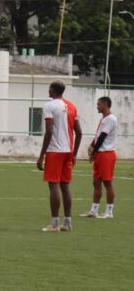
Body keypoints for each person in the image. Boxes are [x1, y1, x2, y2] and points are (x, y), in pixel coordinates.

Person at [37, 80, 82, 232]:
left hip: (55, 150)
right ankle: (68, 223)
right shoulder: (72, 106)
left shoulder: (49, 105)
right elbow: (79, 132)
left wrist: (41, 155)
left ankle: (55, 224)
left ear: (53, 90)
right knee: (65, 186)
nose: (48, 91)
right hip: (68, 151)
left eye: (49, 88)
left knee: (53, 185)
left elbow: (49, 131)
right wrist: (74, 153)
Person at [80, 96, 116, 219]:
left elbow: (102, 138)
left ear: (105, 104)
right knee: (96, 182)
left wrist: (94, 152)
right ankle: (94, 210)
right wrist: (92, 146)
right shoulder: (104, 119)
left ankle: (109, 211)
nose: (97, 106)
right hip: (100, 154)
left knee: (107, 183)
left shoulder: (110, 119)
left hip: (106, 154)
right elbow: (98, 136)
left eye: (99, 104)